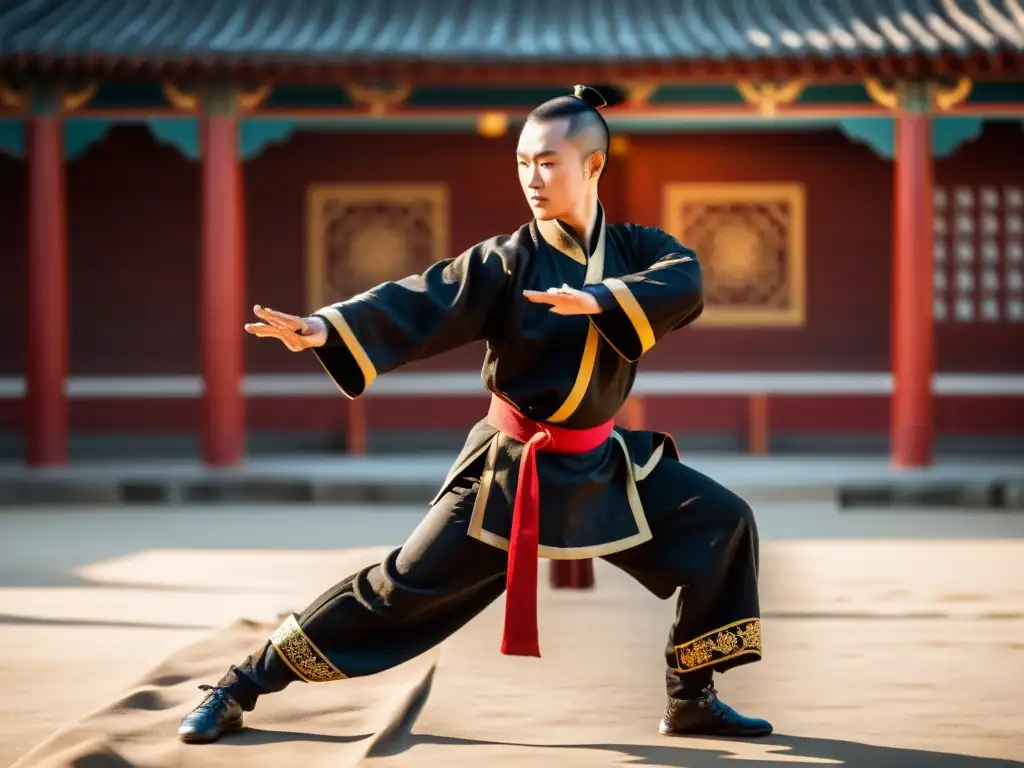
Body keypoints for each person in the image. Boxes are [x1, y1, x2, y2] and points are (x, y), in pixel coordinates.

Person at [178, 84, 771, 744]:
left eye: (546, 162)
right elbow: (423, 299)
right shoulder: (507, 260)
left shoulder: (635, 249)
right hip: (511, 473)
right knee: (395, 590)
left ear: (593, 166)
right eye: (522, 162)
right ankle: (239, 684)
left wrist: (602, 298)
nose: (531, 178)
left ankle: (691, 695)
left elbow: (685, 277)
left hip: (603, 465)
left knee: (724, 522)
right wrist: (326, 326)